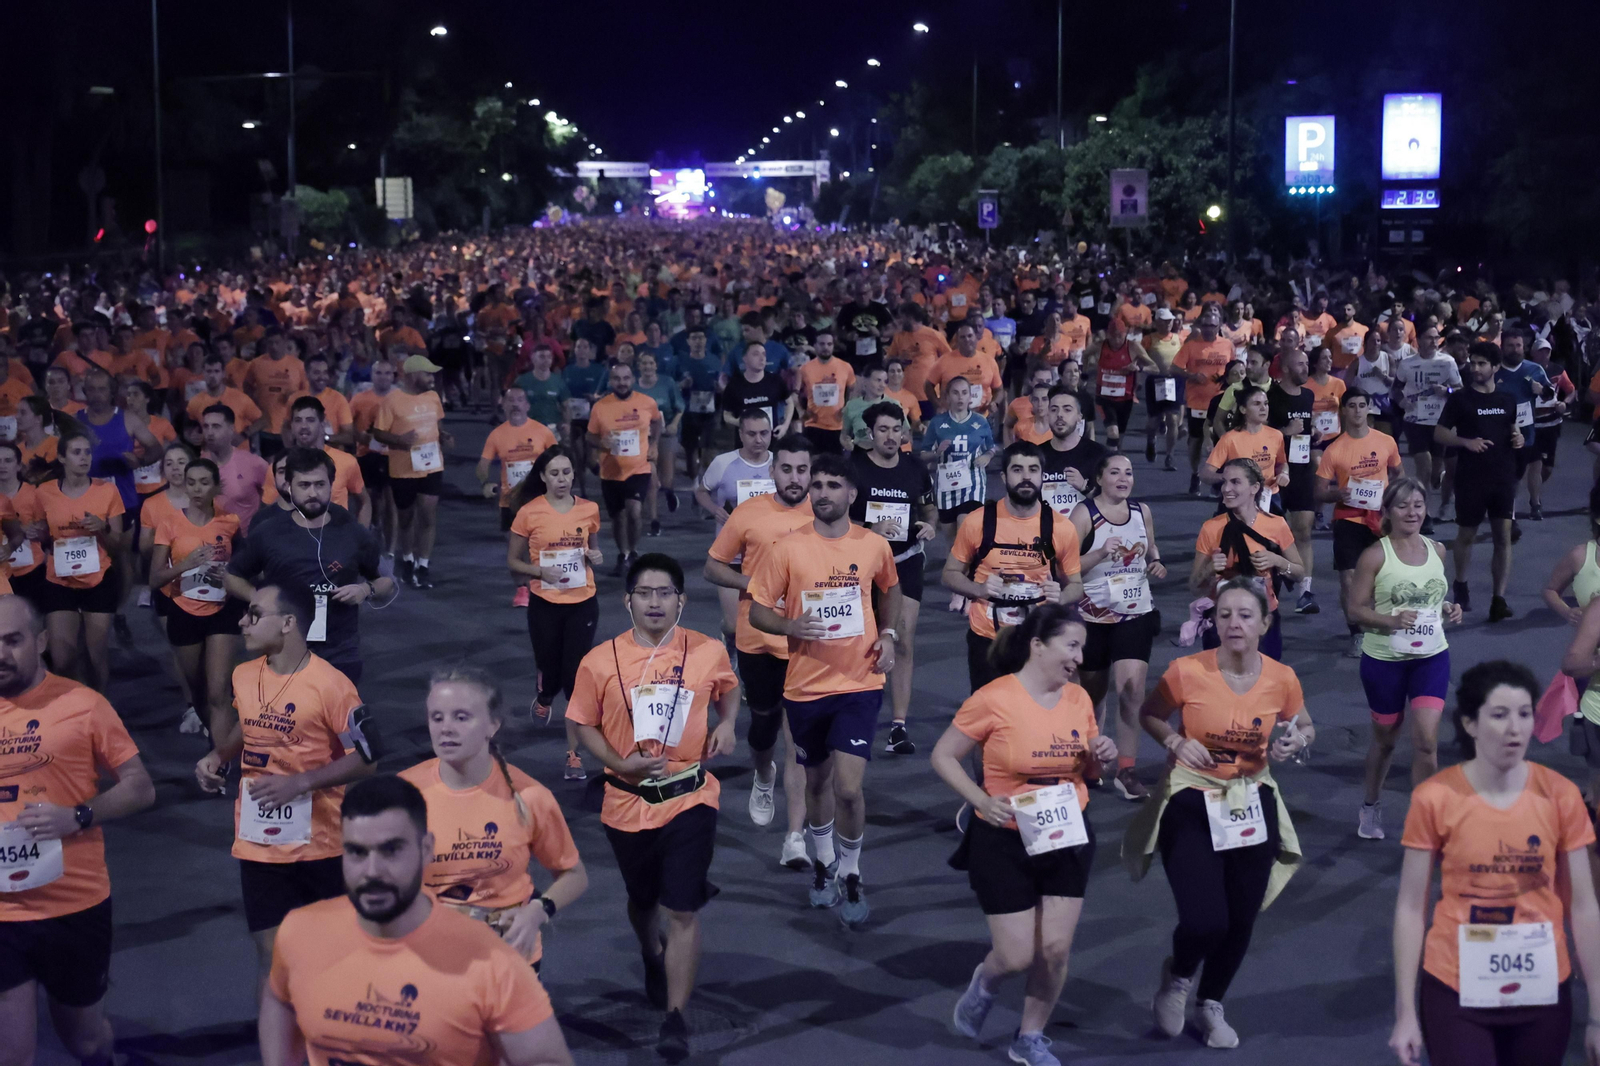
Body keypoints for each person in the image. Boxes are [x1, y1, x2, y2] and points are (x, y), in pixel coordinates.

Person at [259, 775, 574, 1066]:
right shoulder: (301, 933)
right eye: (357, 852)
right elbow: (280, 1001)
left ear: (426, 850)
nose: (372, 871)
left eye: (391, 851)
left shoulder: (489, 961)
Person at [568, 553, 739, 1062]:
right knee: (643, 899)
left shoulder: (707, 651)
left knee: (682, 904)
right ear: (628, 601)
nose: (656, 602)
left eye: (666, 593)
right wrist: (621, 763)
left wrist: (727, 724)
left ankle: (675, 1017)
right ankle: (650, 951)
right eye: (645, 593)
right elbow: (583, 724)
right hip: (626, 801)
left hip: (690, 795)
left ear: (682, 601)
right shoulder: (598, 661)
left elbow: (730, 692)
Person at [1129, 578, 1315, 1049]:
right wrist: (1173, 740)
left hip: (1252, 799)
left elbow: (1303, 724)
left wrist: (1298, 740)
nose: (1234, 623)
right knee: (1205, 918)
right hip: (1191, 800)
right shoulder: (1186, 670)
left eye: (1245, 615)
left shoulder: (1281, 677)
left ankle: (1211, 1003)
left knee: (1241, 916)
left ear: (1265, 623)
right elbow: (1149, 713)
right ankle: (1179, 975)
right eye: (1225, 614)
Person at [1389, 660, 1600, 1066]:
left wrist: (1596, 1009)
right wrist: (1404, 1013)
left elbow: (1585, 906)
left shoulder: (1561, 796)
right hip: (1455, 986)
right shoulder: (1435, 798)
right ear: (1470, 723)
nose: (1515, 728)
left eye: (1524, 714)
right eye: (1499, 715)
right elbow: (1410, 908)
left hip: (1542, 987)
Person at [932, 605, 1116, 1066]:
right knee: (1015, 956)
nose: (1079, 658)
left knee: (1054, 950)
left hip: (1067, 830)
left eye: (1082, 648)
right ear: (1038, 645)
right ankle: (986, 983)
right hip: (1004, 834)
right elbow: (943, 756)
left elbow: (1087, 766)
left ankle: (1029, 1036)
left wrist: (1101, 756)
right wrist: (979, 800)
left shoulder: (1077, 699)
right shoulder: (994, 698)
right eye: (1071, 645)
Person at [195, 583, 379, 989]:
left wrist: (301, 783)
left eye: (255, 615)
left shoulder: (332, 686)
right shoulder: (244, 675)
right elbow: (249, 727)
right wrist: (218, 757)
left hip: (320, 843)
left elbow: (368, 757)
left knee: (325, 955)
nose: (242, 622)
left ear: (289, 623)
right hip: (258, 841)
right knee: (272, 957)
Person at [0, 594, 154, 1066]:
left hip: (74, 903)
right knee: (13, 1054)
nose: (1, 654)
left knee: (85, 1041)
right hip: (4, 911)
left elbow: (140, 788)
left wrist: (78, 816)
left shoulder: (83, 705)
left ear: (42, 641)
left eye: (13, 641)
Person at [749, 455, 900, 927]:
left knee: (848, 788)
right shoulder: (788, 548)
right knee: (816, 784)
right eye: (816, 485)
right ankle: (822, 864)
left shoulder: (874, 544)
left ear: (852, 494)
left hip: (860, 682)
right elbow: (757, 610)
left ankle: (851, 871)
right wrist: (790, 624)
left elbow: (890, 587)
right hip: (806, 686)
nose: (822, 493)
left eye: (833, 484)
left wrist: (890, 634)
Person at [400, 666, 588, 972]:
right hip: (428, 957)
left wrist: (538, 911)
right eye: (437, 717)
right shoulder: (403, 794)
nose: (445, 728)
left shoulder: (529, 797)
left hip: (510, 959)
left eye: (461, 717)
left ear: (493, 725)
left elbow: (573, 874)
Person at [705, 434, 814, 866]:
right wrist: (751, 585)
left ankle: (794, 839)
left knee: (799, 738)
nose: (794, 478)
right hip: (759, 642)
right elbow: (713, 566)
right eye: (785, 469)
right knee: (765, 725)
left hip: (809, 643)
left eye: (802, 469)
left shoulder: (824, 515)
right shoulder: (749, 514)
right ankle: (763, 774)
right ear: (772, 471)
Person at [1348, 478, 1463, 841]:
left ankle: (1426, 821)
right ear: (1388, 512)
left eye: (1418, 504)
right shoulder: (1375, 555)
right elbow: (1355, 609)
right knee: (1385, 739)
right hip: (1384, 660)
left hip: (1431, 657)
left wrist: (1448, 609)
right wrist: (1391, 621)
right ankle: (1370, 804)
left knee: (1427, 741)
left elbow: (1433, 598)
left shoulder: (1438, 550)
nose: (1412, 512)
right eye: (1403, 506)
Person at [226, 448, 392, 685]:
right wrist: (262, 600)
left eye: (320, 484)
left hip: (340, 651)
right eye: (304, 485)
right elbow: (232, 577)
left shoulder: (354, 532)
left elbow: (385, 582)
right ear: (290, 487)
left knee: (336, 721)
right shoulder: (268, 531)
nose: (313, 493)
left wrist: (366, 590)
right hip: (283, 649)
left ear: (331, 484)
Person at [943, 441, 1085, 692]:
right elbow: (949, 574)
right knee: (990, 717)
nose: (1026, 477)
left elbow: (1076, 585)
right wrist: (978, 589)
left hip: (1038, 639)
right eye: (1018, 470)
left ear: (1042, 476)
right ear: (1004, 476)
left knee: (1035, 717)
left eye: (1033, 470)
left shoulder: (1061, 527)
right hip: (988, 637)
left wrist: (1061, 596)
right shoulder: (979, 521)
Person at [1069, 453, 1165, 802]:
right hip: (1091, 618)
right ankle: (1093, 760)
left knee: (1131, 691)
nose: (1124, 478)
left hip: (1135, 613)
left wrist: (1156, 562)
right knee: (1092, 696)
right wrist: (1098, 554)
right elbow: (1064, 566)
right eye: (1115, 472)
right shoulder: (1084, 514)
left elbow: (1151, 547)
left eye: (1129, 472)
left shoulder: (1142, 512)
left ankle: (1126, 770)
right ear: (1101, 477)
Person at [507, 448, 603, 782]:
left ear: (573, 475)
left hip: (583, 602)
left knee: (575, 679)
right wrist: (538, 572)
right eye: (555, 473)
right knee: (551, 671)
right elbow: (513, 564)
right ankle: (545, 696)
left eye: (566, 472)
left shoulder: (589, 509)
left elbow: (591, 551)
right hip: (545, 603)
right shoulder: (528, 513)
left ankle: (574, 755)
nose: (562, 479)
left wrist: (595, 556)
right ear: (543, 477)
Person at [849, 402, 937, 753]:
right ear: (871, 433)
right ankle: (857, 712)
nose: (890, 436)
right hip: (862, 565)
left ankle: (898, 726)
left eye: (896, 429)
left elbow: (930, 506)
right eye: (882, 429)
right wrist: (870, 528)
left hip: (905, 560)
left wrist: (930, 524)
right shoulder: (852, 468)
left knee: (902, 639)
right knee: (862, 641)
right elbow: (832, 519)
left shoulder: (915, 467)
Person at [148, 456, 245, 745]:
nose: (197, 488)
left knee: (218, 693)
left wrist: (230, 572)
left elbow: (245, 565)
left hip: (222, 611)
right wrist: (185, 564)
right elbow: (154, 579)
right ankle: (214, 737)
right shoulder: (169, 523)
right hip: (183, 611)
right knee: (199, 691)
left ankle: (221, 756)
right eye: (191, 482)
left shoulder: (230, 522)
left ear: (216, 486)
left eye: (204, 482)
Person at [1435, 342, 1523, 621]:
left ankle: (1499, 599)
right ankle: (1460, 582)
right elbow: (1439, 433)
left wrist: (1518, 438)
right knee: (1466, 535)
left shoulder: (1508, 399)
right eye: (1472, 363)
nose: (1475, 368)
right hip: (1471, 477)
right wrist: (1465, 442)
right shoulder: (1461, 399)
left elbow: (1514, 429)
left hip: (1503, 477)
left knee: (1503, 537)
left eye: (1482, 363)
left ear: (1496, 368)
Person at [1316, 389, 1405, 656]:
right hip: (1348, 518)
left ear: (1368, 409)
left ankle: (1383, 626)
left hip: (1381, 519)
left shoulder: (1386, 441)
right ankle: (1356, 633)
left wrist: (1400, 501)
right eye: (1351, 406)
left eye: (1361, 405)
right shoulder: (1334, 449)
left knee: (1384, 578)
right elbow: (1319, 491)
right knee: (1349, 579)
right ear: (1343, 410)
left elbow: (1399, 472)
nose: (1357, 411)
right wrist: (1336, 493)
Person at [1190, 458, 1304, 661]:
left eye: (1235, 482)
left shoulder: (1276, 525)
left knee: (1263, 684)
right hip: (1223, 620)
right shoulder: (1211, 527)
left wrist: (1277, 561)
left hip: (1262, 619)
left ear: (1254, 488)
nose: (1226, 488)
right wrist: (1209, 570)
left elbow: (1299, 572)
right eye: (1224, 482)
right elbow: (1194, 585)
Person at [39, 431, 125, 693]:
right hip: (60, 580)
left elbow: (118, 545)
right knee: (62, 658)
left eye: (87, 452)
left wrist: (102, 528)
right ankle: (75, 702)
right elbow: (44, 536)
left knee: (95, 655)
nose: (84, 457)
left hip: (98, 579)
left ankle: (99, 708)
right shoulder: (44, 492)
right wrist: (36, 534)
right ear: (62, 457)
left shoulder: (107, 490)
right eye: (77, 452)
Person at [370, 354, 452, 589]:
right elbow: (378, 433)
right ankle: (407, 560)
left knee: (428, 516)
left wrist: (443, 436)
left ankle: (423, 565)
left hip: (432, 466)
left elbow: (437, 424)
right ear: (414, 375)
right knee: (406, 519)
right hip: (403, 470)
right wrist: (399, 439)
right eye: (427, 374)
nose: (431, 379)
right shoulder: (392, 401)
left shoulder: (433, 397)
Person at [479, 387, 557, 603]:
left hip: (540, 500)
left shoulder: (542, 431)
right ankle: (522, 588)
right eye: (510, 400)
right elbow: (483, 465)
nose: (515, 404)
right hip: (510, 502)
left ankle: (542, 583)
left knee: (543, 544)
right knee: (515, 548)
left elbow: (558, 459)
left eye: (520, 400)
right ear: (503, 405)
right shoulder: (497, 434)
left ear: (527, 405)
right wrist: (485, 482)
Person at [587, 362, 662, 575]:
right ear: (611, 381)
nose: (622, 383)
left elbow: (657, 421)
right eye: (617, 379)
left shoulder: (647, 402)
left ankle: (634, 550)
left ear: (633, 379)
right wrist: (603, 443)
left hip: (639, 468)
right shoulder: (600, 407)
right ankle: (624, 553)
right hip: (610, 471)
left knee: (635, 511)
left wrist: (654, 443)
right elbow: (589, 436)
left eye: (626, 378)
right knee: (618, 517)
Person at [264, 396, 370, 523]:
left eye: (310, 420)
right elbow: (269, 513)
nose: (303, 426)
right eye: (298, 420)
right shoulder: (278, 467)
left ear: (322, 423)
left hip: (335, 538)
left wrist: (360, 538)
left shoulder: (347, 462)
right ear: (291, 425)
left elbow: (364, 502)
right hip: (294, 539)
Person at [1396, 325, 1461, 528]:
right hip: (1415, 420)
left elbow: (1460, 389)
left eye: (1436, 338)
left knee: (1435, 471)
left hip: (1440, 422)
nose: (1434, 341)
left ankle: (1440, 489)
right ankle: (1425, 514)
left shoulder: (1447, 362)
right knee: (1423, 464)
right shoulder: (1407, 364)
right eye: (1429, 337)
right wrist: (1402, 402)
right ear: (1419, 340)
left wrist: (1447, 390)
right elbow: (1395, 389)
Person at [918, 377, 997, 540]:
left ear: (970, 397)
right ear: (947, 397)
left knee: (965, 530)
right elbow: (923, 455)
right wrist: (936, 453)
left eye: (964, 393)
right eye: (955, 393)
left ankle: (971, 565)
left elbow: (992, 447)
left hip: (973, 484)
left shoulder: (980, 421)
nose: (960, 397)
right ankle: (958, 564)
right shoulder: (937, 422)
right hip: (946, 485)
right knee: (952, 542)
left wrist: (987, 457)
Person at [1171, 304, 1234, 496]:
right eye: (1205, 326)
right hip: (1197, 401)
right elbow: (1173, 369)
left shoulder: (1227, 345)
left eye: (1212, 326)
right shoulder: (1191, 345)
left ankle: (1218, 479)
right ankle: (1195, 473)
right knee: (1196, 441)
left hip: (1221, 401)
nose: (1208, 329)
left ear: (1218, 327)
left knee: (1220, 441)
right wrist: (1191, 375)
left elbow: (1234, 369)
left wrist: (1227, 381)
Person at [1203, 386, 1288, 513]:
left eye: (1266, 404)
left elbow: (1282, 463)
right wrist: (1228, 478)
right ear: (1243, 409)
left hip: (1269, 496)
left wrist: (1284, 474)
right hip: (1239, 499)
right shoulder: (1230, 439)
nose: (1263, 408)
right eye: (1256, 404)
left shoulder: (1276, 435)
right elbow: (1205, 474)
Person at [634, 350, 684, 537]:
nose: (647, 367)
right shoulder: (633, 387)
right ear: (639, 367)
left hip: (665, 433)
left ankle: (670, 491)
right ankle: (654, 520)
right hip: (644, 438)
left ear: (656, 366)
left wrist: (674, 424)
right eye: (643, 363)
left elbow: (679, 407)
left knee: (666, 479)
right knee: (651, 478)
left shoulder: (667, 383)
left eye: (650, 363)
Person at [1038, 386, 1109, 517]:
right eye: (1054, 410)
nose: (1059, 415)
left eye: (1067, 409)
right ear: (1048, 416)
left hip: (1088, 531)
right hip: (1046, 532)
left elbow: (1111, 503)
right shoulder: (1036, 456)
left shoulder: (1099, 454)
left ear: (1079, 417)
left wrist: (1084, 488)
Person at [200, 404, 270, 533]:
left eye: (216, 426)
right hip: (210, 540)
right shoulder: (198, 466)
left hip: (245, 541)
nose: (210, 432)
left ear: (231, 429)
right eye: (206, 426)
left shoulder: (253, 463)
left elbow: (275, 499)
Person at [795, 328, 855, 457]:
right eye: (822, 344)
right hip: (813, 425)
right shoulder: (805, 369)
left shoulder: (845, 367)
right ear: (815, 346)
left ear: (833, 345)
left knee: (836, 468)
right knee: (813, 465)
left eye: (829, 344)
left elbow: (853, 390)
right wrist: (801, 411)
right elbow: (794, 394)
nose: (825, 347)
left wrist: (846, 409)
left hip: (837, 426)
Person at [722, 340, 795, 439]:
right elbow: (726, 414)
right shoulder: (734, 385)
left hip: (771, 438)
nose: (762, 358)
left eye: (764, 354)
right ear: (745, 358)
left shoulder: (775, 380)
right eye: (756, 354)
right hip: (745, 441)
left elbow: (789, 403)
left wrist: (785, 426)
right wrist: (739, 422)